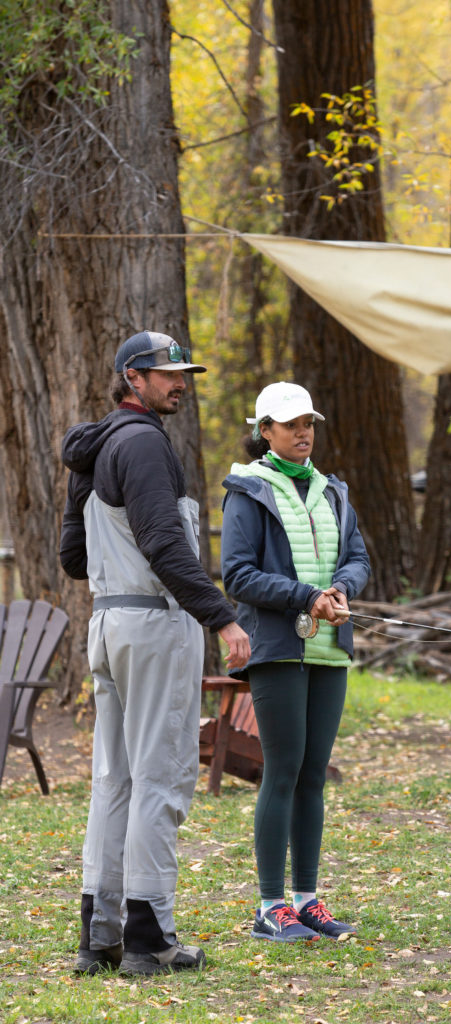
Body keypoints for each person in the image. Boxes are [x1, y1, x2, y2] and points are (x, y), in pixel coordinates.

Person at [60, 330, 251, 976]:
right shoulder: (143, 445)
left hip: (108, 624)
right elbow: (166, 547)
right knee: (160, 778)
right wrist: (221, 619)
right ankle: (148, 937)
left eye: (181, 372)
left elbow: (72, 559)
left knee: (113, 780)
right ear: (130, 379)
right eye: (165, 373)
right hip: (152, 624)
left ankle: (100, 936)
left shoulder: (96, 448)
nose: (180, 382)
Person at [220, 381, 371, 942]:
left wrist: (339, 589)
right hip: (279, 649)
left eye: (308, 422)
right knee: (281, 772)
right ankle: (269, 907)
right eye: (290, 424)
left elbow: (357, 557)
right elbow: (237, 575)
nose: (303, 432)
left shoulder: (333, 491)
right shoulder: (248, 491)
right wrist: (305, 597)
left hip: (329, 649)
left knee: (313, 776)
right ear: (266, 432)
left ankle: (307, 901)